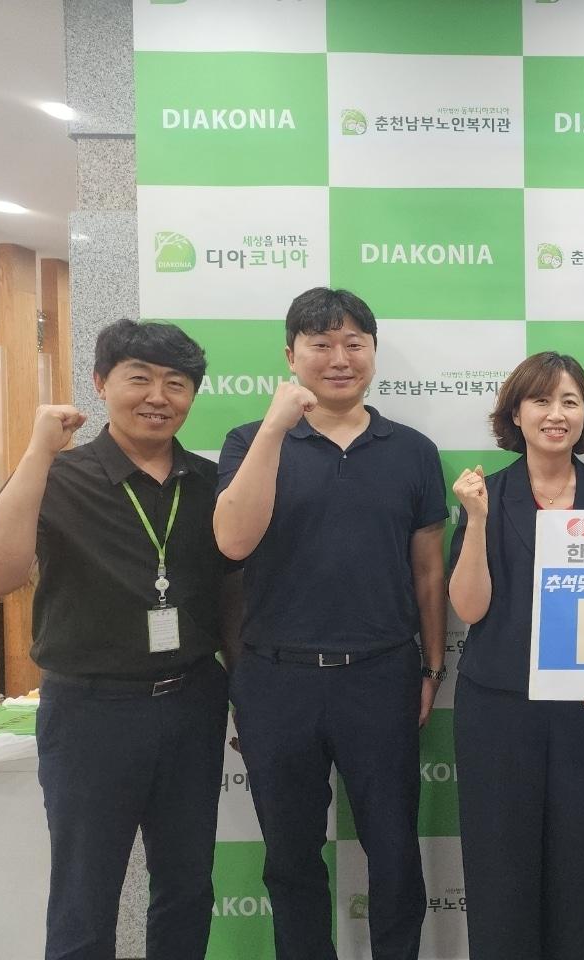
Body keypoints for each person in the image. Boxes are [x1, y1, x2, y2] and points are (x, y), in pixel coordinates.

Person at [0, 319, 237, 960]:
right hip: (89, 711)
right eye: (139, 378)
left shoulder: (210, 484)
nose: (158, 396)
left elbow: (234, 598)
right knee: (84, 894)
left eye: (176, 383)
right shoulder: (58, 476)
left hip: (191, 702)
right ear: (101, 383)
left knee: (187, 887)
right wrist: (37, 451)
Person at [213, 287, 447, 960]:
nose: (340, 358)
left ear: (373, 351)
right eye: (321, 344)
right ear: (291, 356)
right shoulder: (248, 440)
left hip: (381, 674)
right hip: (276, 679)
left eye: (354, 343)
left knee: (394, 852)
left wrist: (432, 667)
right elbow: (232, 542)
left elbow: (428, 572)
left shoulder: (411, 450)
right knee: (290, 858)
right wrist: (274, 428)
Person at [448, 351, 584, 960]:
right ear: (516, 414)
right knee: (499, 870)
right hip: (498, 710)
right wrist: (477, 521)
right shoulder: (487, 494)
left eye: (569, 401)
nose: (556, 414)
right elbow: (469, 608)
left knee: (579, 867)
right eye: (541, 400)